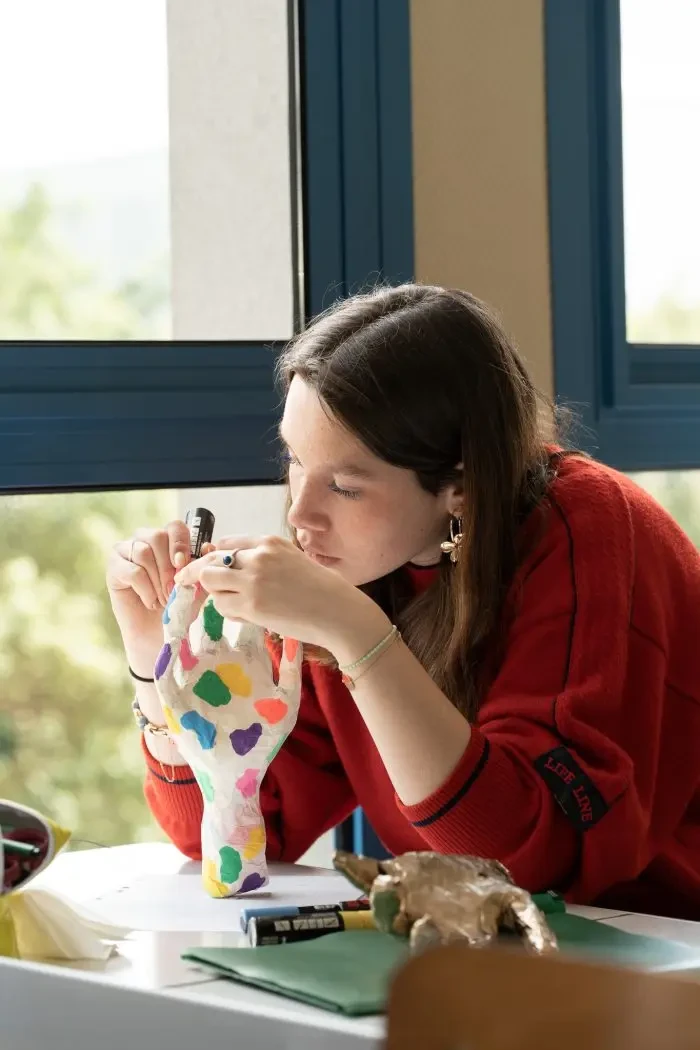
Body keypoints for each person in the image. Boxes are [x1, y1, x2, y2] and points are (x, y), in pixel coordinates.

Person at [106, 283, 700, 920]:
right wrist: (152, 661)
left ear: (460, 488)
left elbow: (523, 863)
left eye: (344, 487)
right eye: (295, 459)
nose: (300, 513)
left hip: (663, 955)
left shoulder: (591, 533)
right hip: (500, 961)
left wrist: (355, 633)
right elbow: (239, 829)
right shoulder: (359, 563)